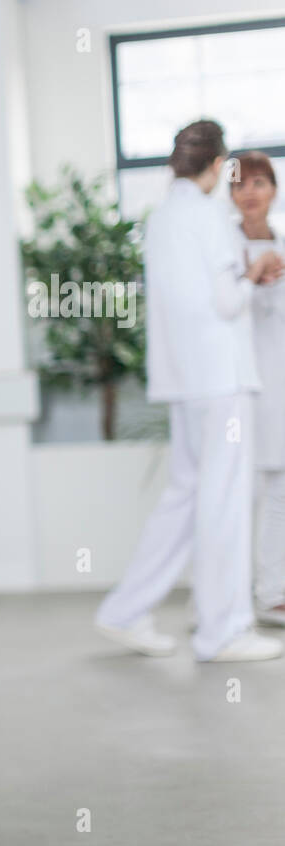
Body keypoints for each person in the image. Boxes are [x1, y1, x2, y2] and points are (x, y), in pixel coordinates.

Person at [94, 122, 283, 662]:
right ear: (217, 163)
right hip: (222, 381)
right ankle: (222, 632)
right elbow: (226, 303)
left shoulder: (162, 218)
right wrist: (258, 271)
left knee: (183, 498)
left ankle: (124, 610)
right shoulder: (209, 217)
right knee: (223, 502)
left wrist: (242, 279)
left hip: (183, 384)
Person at [229, 151, 285, 626]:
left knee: (280, 490)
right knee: (233, 492)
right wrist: (252, 275)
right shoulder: (221, 249)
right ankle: (219, 596)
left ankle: (272, 593)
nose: (250, 192)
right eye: (240, 184)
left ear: (274, 189)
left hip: (280, 383)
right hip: (234, 385)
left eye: (260, 182)